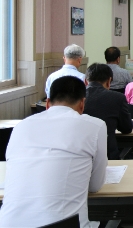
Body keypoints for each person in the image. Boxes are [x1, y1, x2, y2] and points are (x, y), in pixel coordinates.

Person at [0, 76, 107, 227]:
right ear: (82, 103)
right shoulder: (95, 126)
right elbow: (95, 186)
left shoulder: (21, 127)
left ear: (48, 103)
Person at [83, 63, 133, 160]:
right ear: (109, 81)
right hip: (107, 155)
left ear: (86, 81)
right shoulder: (117, 98)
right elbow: (126, 128)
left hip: (80, 154)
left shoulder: (76, 98)